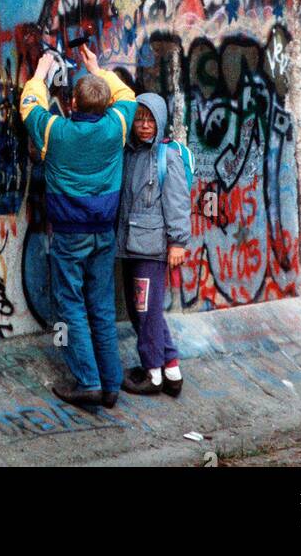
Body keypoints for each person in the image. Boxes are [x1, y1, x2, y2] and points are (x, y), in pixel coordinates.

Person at [19, 46, 137, 409]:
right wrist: (98, 70)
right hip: (104, 232)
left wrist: (39, 74)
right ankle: (111, 382)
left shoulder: (56, 131)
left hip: (69, 234)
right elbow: (127, 96)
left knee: (70, 305)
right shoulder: (116, 126)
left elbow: (29, 106)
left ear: (71, 104)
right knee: (101, 305)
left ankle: (87, 380)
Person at [117, 93, 191, 397]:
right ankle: (171, 370)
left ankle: (153, 375)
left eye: (150, 120)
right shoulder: (131, 153)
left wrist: (178, 242)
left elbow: (177, 202)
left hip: (152, 249)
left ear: (160, 121)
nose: (144, 126)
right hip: (131, 245)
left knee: (145, 311)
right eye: (139, 119)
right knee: (144, 312)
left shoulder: (166, 157)